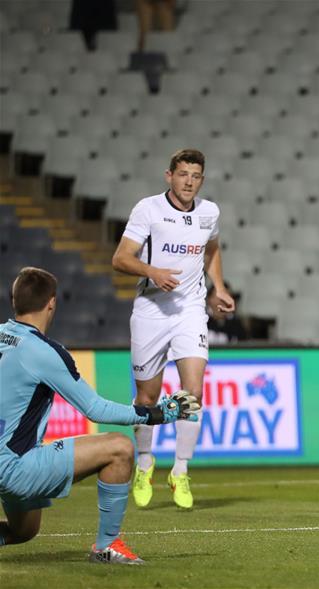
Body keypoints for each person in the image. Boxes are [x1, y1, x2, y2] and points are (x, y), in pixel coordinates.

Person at [0, 267, 199, 563]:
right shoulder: (44, 352)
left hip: (9, 458)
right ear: (51, 303)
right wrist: (155, 413)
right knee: (119, 448)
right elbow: (95, 409)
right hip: (13, 466)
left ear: (14, 300)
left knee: (25, 529)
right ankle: (107, 545)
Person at [111, 149, 234, 510]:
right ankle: (146, 462)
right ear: (169, 176)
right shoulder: (148, 209)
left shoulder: (209, 212)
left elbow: (211, 249)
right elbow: (120, 259)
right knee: (146, 398)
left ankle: (180, 470)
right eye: (183, 174)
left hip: (190, 310)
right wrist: (153, 272)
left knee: (193, 392)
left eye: (195, 176)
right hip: (151, 310)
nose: (189, 182)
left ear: (202, 179)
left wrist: (219, 287)